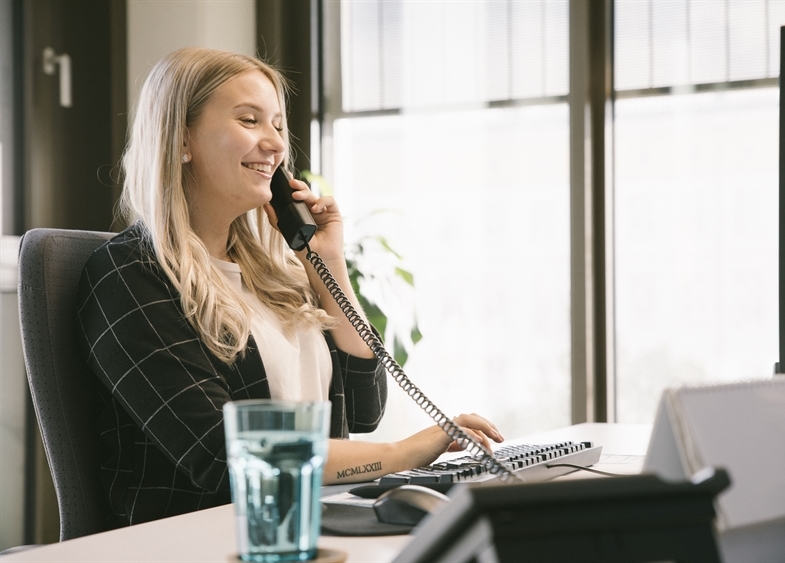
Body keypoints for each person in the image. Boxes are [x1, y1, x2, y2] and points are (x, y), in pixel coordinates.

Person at [75, 47, 503, 528]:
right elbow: (224, 457)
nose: (274, 144)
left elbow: (364, 409)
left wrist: (328, 261)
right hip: (204, 539)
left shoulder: (276, 276)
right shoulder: (130, 275)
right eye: (249, 120)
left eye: (277, 125)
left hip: (308, 525)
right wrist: (402, 453)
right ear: (181, 141)